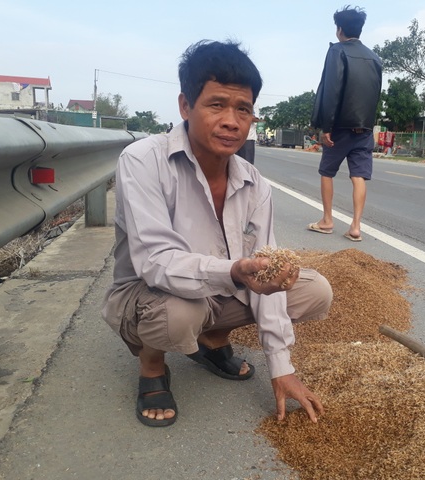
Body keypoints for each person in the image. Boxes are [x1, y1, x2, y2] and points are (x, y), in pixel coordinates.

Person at [101, 40, 332, 428]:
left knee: (314, 290)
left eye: (243, 109)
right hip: (147, 293)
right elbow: (156, 263)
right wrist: (235, 272)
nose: (232, 120)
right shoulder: (143, 160)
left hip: (216, 292)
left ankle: (211, 340)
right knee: (179, 312)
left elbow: (265, 270)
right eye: (217, 104)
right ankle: (152, 365)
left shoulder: (254, 183)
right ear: (185, 107)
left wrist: (281, 366)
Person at [308, 5, 382, 242]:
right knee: (358, 175)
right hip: (365, 129)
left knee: (326, 171)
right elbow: (374, 94)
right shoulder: (375, 58)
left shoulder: (337, 51)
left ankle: (327, 220)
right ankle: (356, 226)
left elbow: (333, 90)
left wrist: (326, 127)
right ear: (359, 29)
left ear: (339, 29)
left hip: (339, 128)